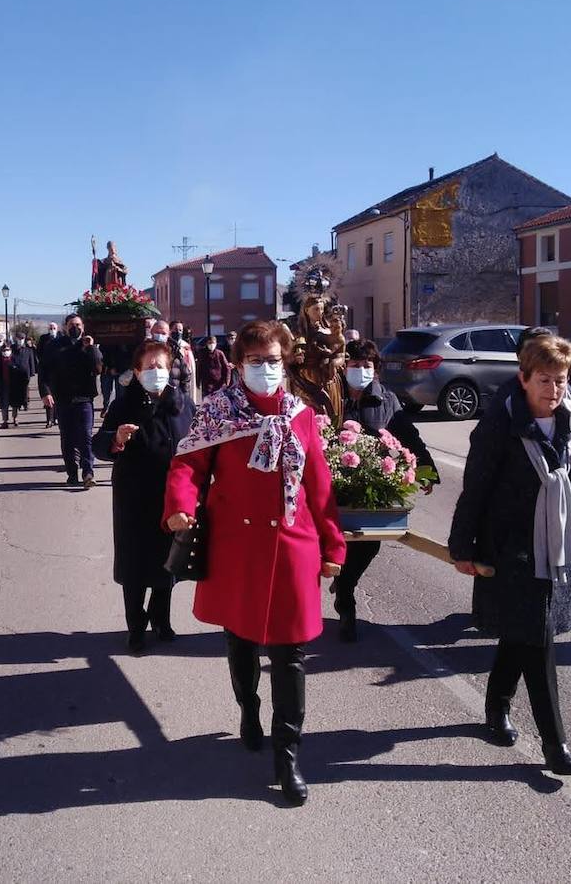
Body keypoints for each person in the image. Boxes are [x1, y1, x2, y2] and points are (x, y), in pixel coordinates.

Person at [164, 319, 345, 806]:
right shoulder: (218, 411)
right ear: (239, 363)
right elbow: (188, 463)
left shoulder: (301, 415)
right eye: (255, 361)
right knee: (240, 639)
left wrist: (333, 546)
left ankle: (287, 757)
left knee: (291, 654)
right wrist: (180, 504)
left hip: (292, 545)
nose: (265, 369)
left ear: (285, 362)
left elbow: (319, 487)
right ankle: (248, 707)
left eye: (273, 360)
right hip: (237, 547)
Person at [447, 334, 571, 776]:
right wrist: (462, 548)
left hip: (556, 543)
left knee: (525, 631)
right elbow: (474, 490)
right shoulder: (497, 426)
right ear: (524, 378)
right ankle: (555, 744)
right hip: (511, 545)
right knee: (539, 641)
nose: (554, 391)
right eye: (546, 380)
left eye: (562, 381)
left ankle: (496, 706)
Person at [332, 339, 440, 641]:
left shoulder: (387, 400)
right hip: (332, 483)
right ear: (344, 367)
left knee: (368, 542)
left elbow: (409, 437)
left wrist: (426, 472)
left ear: (375, 370)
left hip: (370, 484)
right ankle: (344, 592)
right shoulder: (330, 396)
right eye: (354, 365)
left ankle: (346, 590)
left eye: (366, 366)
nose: (360, 370)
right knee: (334, 542)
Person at [94, 340, 194, 652]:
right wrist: (116, 439)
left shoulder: (183, 404)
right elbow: (98, 445)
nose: (155, 372)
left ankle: (161, 620)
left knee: (168, 561)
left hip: (170, 495)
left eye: (161, 366)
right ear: (137, 372)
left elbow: (197, 445)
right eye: (149, 367)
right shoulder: (123, 405)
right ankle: (136, 626)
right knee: (136, 563)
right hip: (134, 495)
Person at [40, 313, 103, 487]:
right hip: (63, 398)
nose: (75, 328)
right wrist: (46, 392)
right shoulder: (54, 346)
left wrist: (91, 348)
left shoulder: (89, 345)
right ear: (65, 327)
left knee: (85, 436)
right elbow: (43, 371)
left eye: (78, 325)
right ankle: (72, 473)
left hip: (84, 398)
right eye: (72, 325)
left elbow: (98, 368)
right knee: (67, 439)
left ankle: (88, 472)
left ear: (83, 327)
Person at [37, 322, 63, 429]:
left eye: (54, 328)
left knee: (58, 398)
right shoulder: (44, 339)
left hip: (60, 372)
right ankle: (49, 420)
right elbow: (39, 352)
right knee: (48, 397)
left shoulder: (62, 338)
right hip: (48, 371)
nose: (52, 329)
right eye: (50, 328)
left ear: (57, 329)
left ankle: (56, 417)